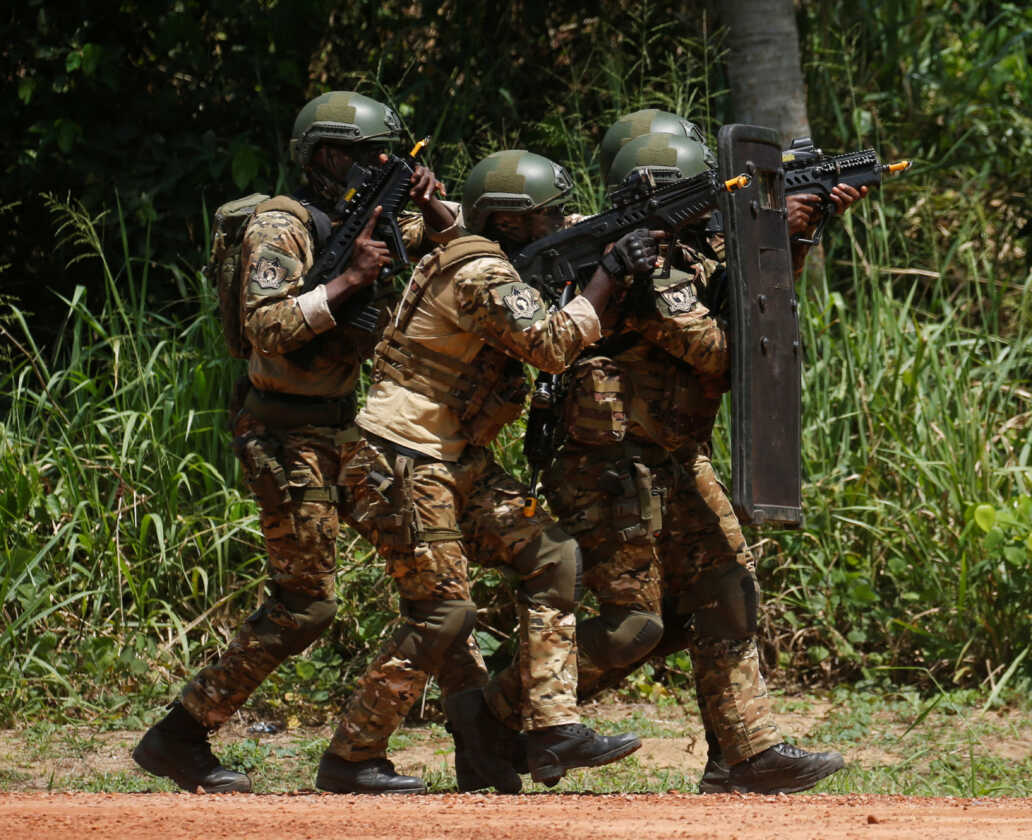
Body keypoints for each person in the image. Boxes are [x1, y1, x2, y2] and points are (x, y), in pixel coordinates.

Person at [484, 128, 865, 795]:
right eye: (698, 192)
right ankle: (494, 709)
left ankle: (743, 755)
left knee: (730, 589)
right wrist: (780, 240)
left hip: (675, 456)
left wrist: (794, 236)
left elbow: (752, 307)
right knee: (634, 627)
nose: (711, 204)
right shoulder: (641, 266)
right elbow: (727, 349)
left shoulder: (694, 249)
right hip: (608, 465)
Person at [132, 90, 460, 795]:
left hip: (343, 427)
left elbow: (452, 241)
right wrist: (349, 281)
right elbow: (266, 328)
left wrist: (431, 204)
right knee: (305, 605)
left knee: (437, 584)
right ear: (327, 156)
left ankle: (396, 747)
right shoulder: (280, 227)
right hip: (282, 432)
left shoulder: (358, 212)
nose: (386, 164)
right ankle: (179, 735)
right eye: (374, 154)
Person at [316, 149, 652, 793]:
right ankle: (351, 756)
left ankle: (551, 726)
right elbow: (551, 347)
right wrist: (607, 274)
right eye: (547, 215)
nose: (559, 222)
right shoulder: (478, 272)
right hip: (403, 458)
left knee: (553, 556)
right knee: (444, 613)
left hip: (456, 459)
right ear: (512, 222)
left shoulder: (484, 251)